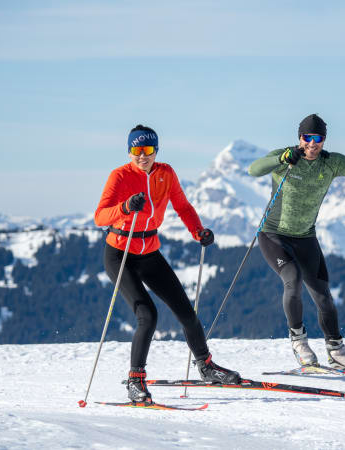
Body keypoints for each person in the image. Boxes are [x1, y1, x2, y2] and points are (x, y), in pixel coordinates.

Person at [95, 124, 241, 403]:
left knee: (186, 311)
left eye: (148, 150)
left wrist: (198, 231)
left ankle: (206, 366)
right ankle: (135, 380)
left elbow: (183, 207)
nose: (142, 156)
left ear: (155, 150)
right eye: (137, 150)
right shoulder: (120, 176)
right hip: (120, 253)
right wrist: (125, 207)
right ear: (129, 151)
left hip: (149, 251)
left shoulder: (166, 173)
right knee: (147, 315)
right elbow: (100, 216)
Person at [248, 114, 345, 370]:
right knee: (293, 279)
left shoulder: (331, 162)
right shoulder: (286, 157)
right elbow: (253, 169)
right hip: (273, 234)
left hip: (306, 238)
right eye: (307, 138)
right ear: (299, 138)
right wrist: (281, 159)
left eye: (318, 138)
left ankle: (336, 351)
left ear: (324, 140)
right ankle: (299, 342)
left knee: (323, 297)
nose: (312, 143)